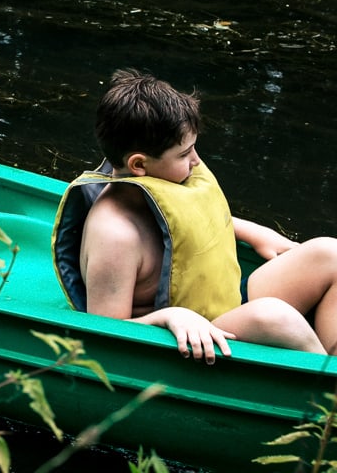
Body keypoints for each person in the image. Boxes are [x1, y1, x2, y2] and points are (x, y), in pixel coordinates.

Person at [53, 69, 337, 362]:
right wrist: (169, 317)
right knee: (275, 316)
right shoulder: (114, 234)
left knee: (329, 253)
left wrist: (254, 231)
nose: (196, 160)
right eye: (184, 154)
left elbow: (187, 219)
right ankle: (328, 390)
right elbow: (104, 332)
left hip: (223, 299)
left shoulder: (165, 179)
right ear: (139, 164)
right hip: (187, 333)